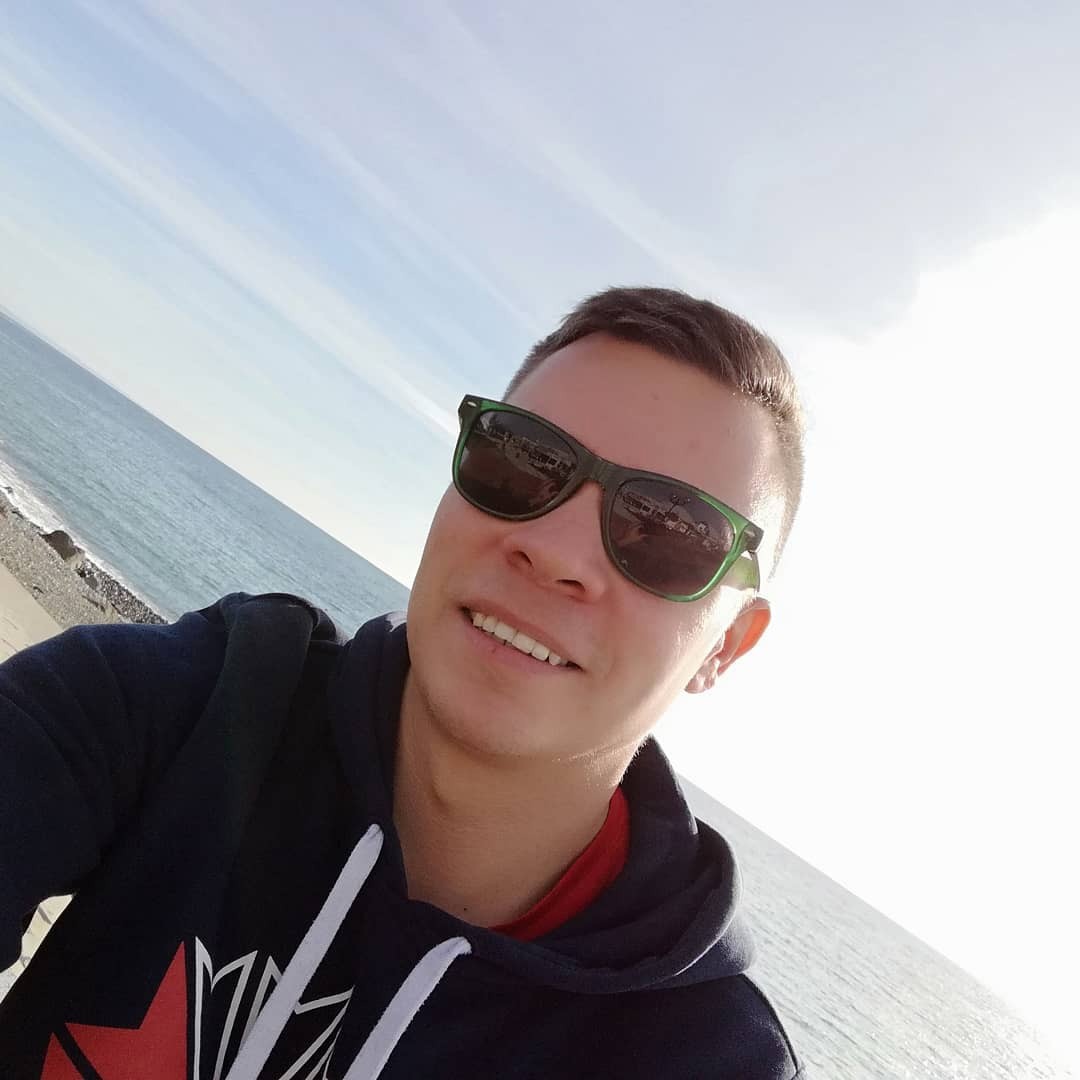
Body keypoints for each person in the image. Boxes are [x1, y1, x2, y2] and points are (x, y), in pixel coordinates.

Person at [0, 287, 807, 1078]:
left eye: (672, 532)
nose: (554, 551)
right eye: (524, 458)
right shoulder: (200, 705)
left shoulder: (704, 1056)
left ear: (726, 647)